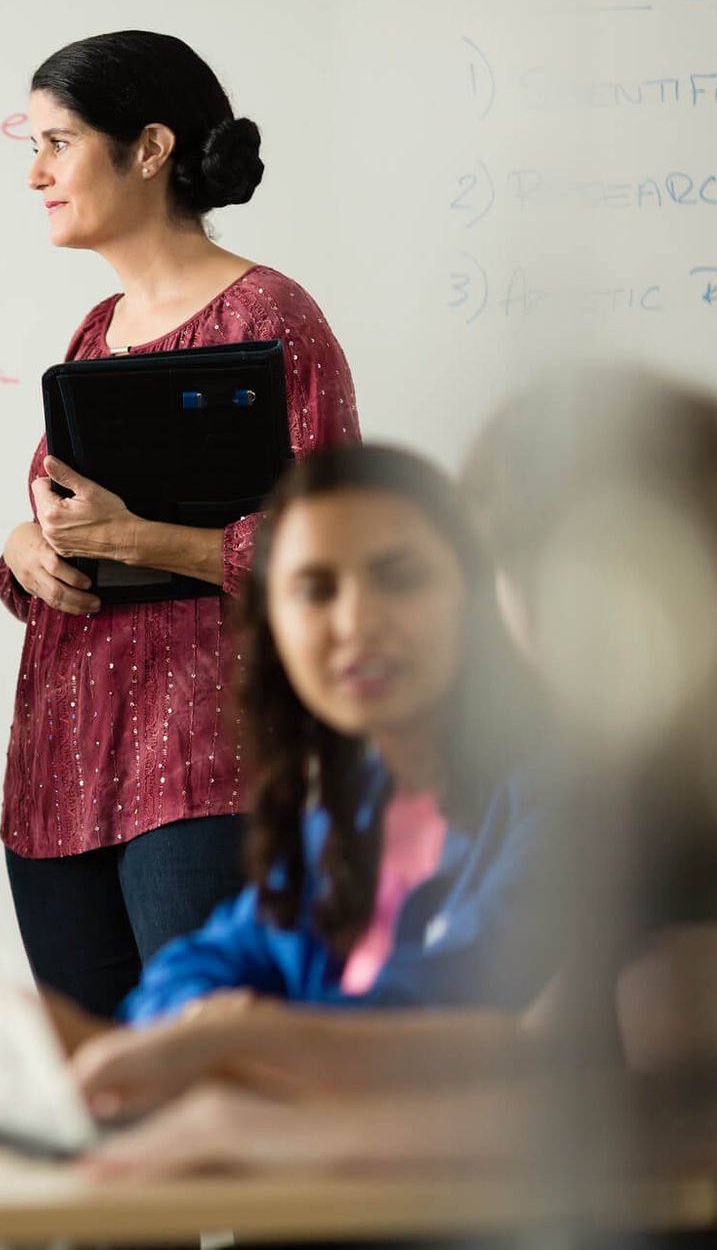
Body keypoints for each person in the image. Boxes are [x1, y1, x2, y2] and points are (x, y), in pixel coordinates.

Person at [78, 372, 717, 1222]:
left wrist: (267, 1113)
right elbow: (536, 1052)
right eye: (518, 563)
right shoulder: (639, 766)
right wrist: (226, 1057)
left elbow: (689, 1115)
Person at [0, 29, 360, 1019]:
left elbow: (342, 556)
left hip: (206, 766)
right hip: (56, 773)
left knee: (208, 1088)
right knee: (95, 1097)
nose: (33, 174)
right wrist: (21, 550)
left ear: (148, 148)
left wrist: (144, 542)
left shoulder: (269, 316)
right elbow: (58, 525)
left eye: (55, 142)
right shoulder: (89, 334)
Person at [64, 443, 556, 1112]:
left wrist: (238, 1036)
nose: (356, 623)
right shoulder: (345, 813)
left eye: (400, 578)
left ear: (472, 596)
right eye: (315, 590)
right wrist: (233, 1032)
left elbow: (456, 1025)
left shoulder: (559, 802)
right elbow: (184, 975)